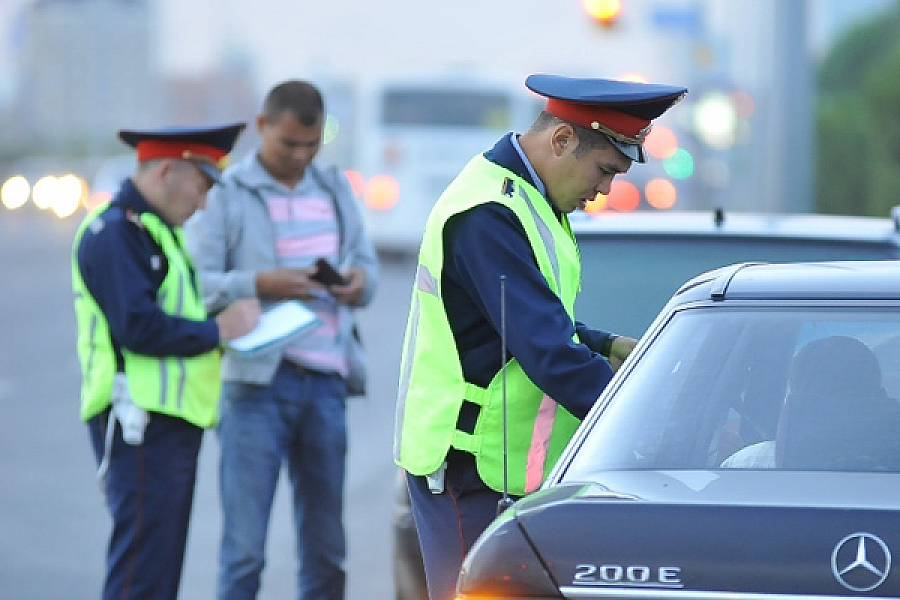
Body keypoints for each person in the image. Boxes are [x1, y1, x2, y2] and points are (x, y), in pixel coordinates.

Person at [393, 73, 687, 600]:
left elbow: (526, 316)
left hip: (504, 472)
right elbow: (548, 352)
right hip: (470, 471)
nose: (604, 190)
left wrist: (605, 344)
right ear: (561, 141)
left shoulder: (529, 199)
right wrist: (646, 423)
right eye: (605, 170)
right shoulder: (490, 214)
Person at [183, 80, 379, 600]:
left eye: (310, 145)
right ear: (263, 126)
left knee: (326, 552)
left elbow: (368, 270)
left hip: (326, 388)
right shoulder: (225, 193)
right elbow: (195, 288)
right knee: (244, 554)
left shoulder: (336, 188)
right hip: (255, 391)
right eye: (288, 144)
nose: (299, 156)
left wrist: (356, 284)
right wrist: (260, 283)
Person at [72, 122, 262, 600]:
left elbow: (171, 314)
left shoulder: (156, 233)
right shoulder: (116, 234)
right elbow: (138, 326)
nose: (202, 203)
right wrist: (220, 330)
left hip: (169, 424)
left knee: (158, 570)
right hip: (139, 422)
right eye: (200, 186)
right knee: (141, 573)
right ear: (164, 171)